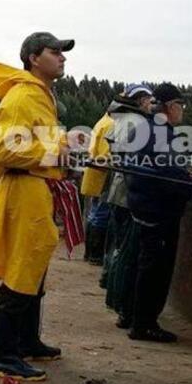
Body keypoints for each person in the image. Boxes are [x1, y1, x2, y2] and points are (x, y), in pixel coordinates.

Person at [0, 31, 75, 381]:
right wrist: (54, 152)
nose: (62, 57)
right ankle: (4, 357)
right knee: (20, 271)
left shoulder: (41, 96)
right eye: (54, 51)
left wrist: (61, 153)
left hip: (38, 190)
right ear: (33, 58)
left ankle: (28, 341)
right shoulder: (22, 97)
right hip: (24, 191)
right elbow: (5, 151)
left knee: (35, 268)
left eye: (62, 52)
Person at [125, 83, 192, 343]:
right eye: (181, 105)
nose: (183, 111)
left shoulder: (145, 127)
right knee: (155, 269)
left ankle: (136, 318)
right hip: (158, 210)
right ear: (171, 107)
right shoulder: (162, 133)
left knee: (145, 264)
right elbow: (170, 178)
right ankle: (144, 325)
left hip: (144, 206)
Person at [101, 84, 154, 328]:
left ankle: (115, 298)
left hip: (117, 189)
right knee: (127, 252)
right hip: (128, 193)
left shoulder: (119, 119)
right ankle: (123, 306)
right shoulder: (137, 122)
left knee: (117, 247)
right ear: (141, 100)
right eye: (149, 100)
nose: (152, 104)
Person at [80, 106, 115, 265]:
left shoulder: (102, 122)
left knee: (94, 214)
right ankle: (96, 255)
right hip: (103, 175)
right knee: (101, 214)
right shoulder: (111, 125)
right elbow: (106, 155)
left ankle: (89, 253)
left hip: (94, 173)